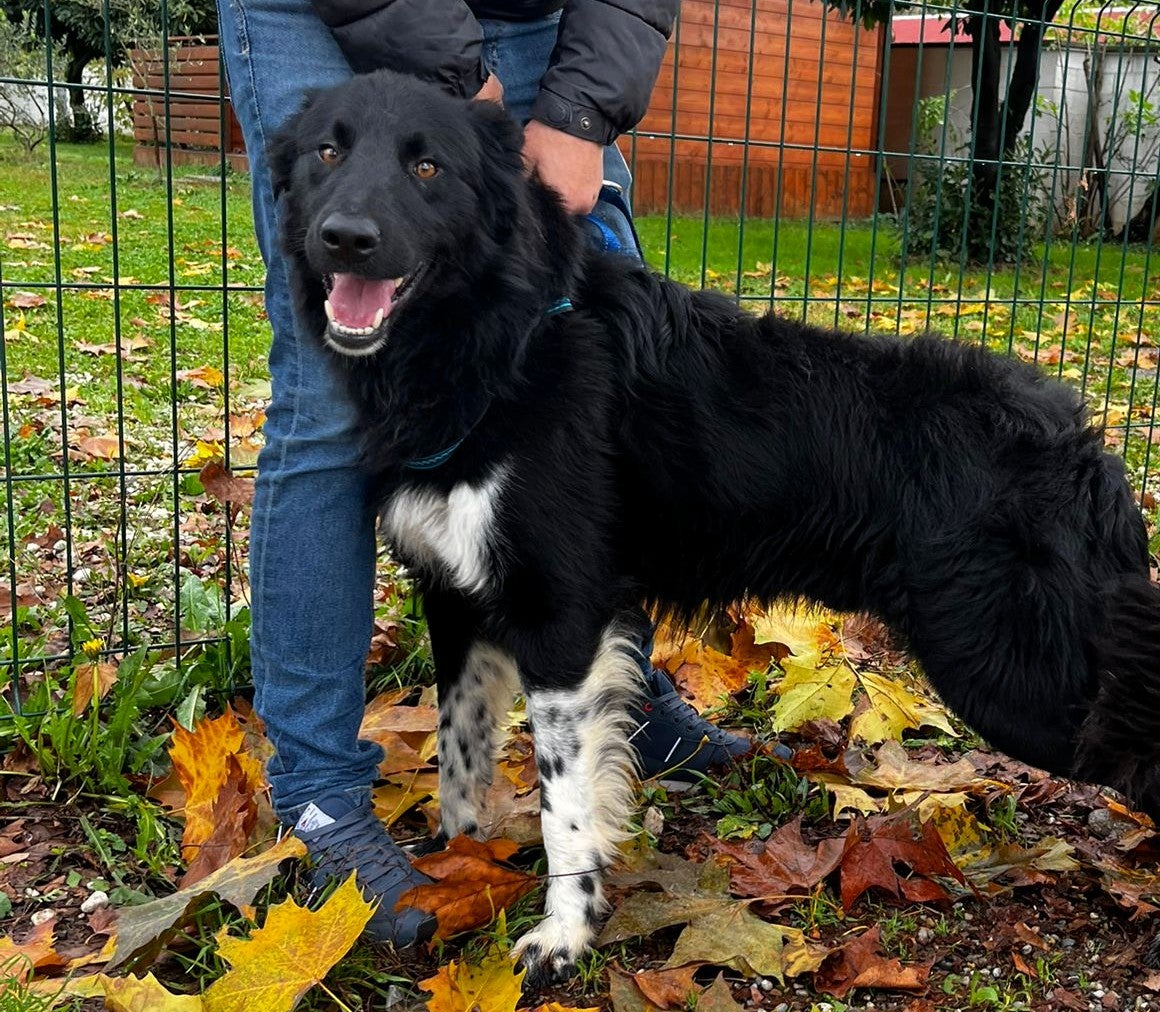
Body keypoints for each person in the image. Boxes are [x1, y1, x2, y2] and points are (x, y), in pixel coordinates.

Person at [217, 0, 764, 948]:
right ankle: (319, 796)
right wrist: (461, 83)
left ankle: (621, 696)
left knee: (593, 318)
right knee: (329, 399)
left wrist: (582, 110)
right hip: (328, 10)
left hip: (538, 16)